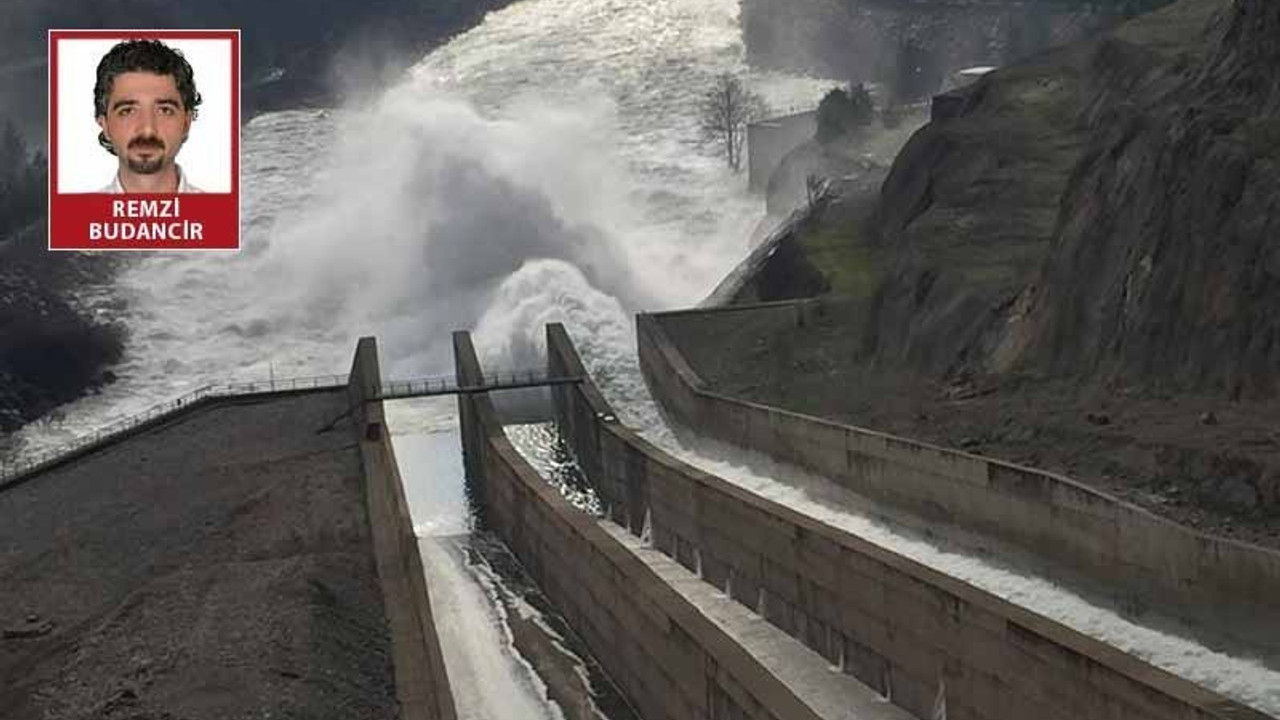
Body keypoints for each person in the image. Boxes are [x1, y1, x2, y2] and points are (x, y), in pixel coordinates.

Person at [94, 39, 203, 193]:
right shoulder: (74, 216)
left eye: (164, 110)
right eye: (128, 111)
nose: (147, 129)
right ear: (105, 125)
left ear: (186, 123)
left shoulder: (227, 214)